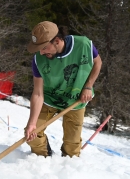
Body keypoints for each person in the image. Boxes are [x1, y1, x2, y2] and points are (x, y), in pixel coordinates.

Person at [24, 21, 102, 157]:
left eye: (44, 47)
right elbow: (37, 93)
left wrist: (88, 86)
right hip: (49, 99)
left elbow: (97, 62)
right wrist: (32, 124)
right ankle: (42, 161)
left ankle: (67, 167)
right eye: (39, 48)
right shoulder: (38, 59)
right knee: (33, 136)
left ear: (57, 41)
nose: (41, 52)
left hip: (75, 101)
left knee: (72, 147)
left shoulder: (84, 45)